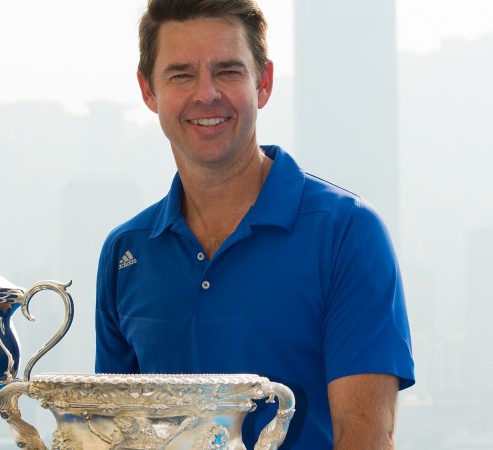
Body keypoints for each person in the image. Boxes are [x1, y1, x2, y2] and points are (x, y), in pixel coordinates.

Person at [94, 0, 415, 449]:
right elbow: (115, 435)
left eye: (227, 71)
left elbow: (364, 437)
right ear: (149, 91)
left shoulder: (347, 232)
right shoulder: (126, 252)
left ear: (262, 83)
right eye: (181, 74)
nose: (206, 94)